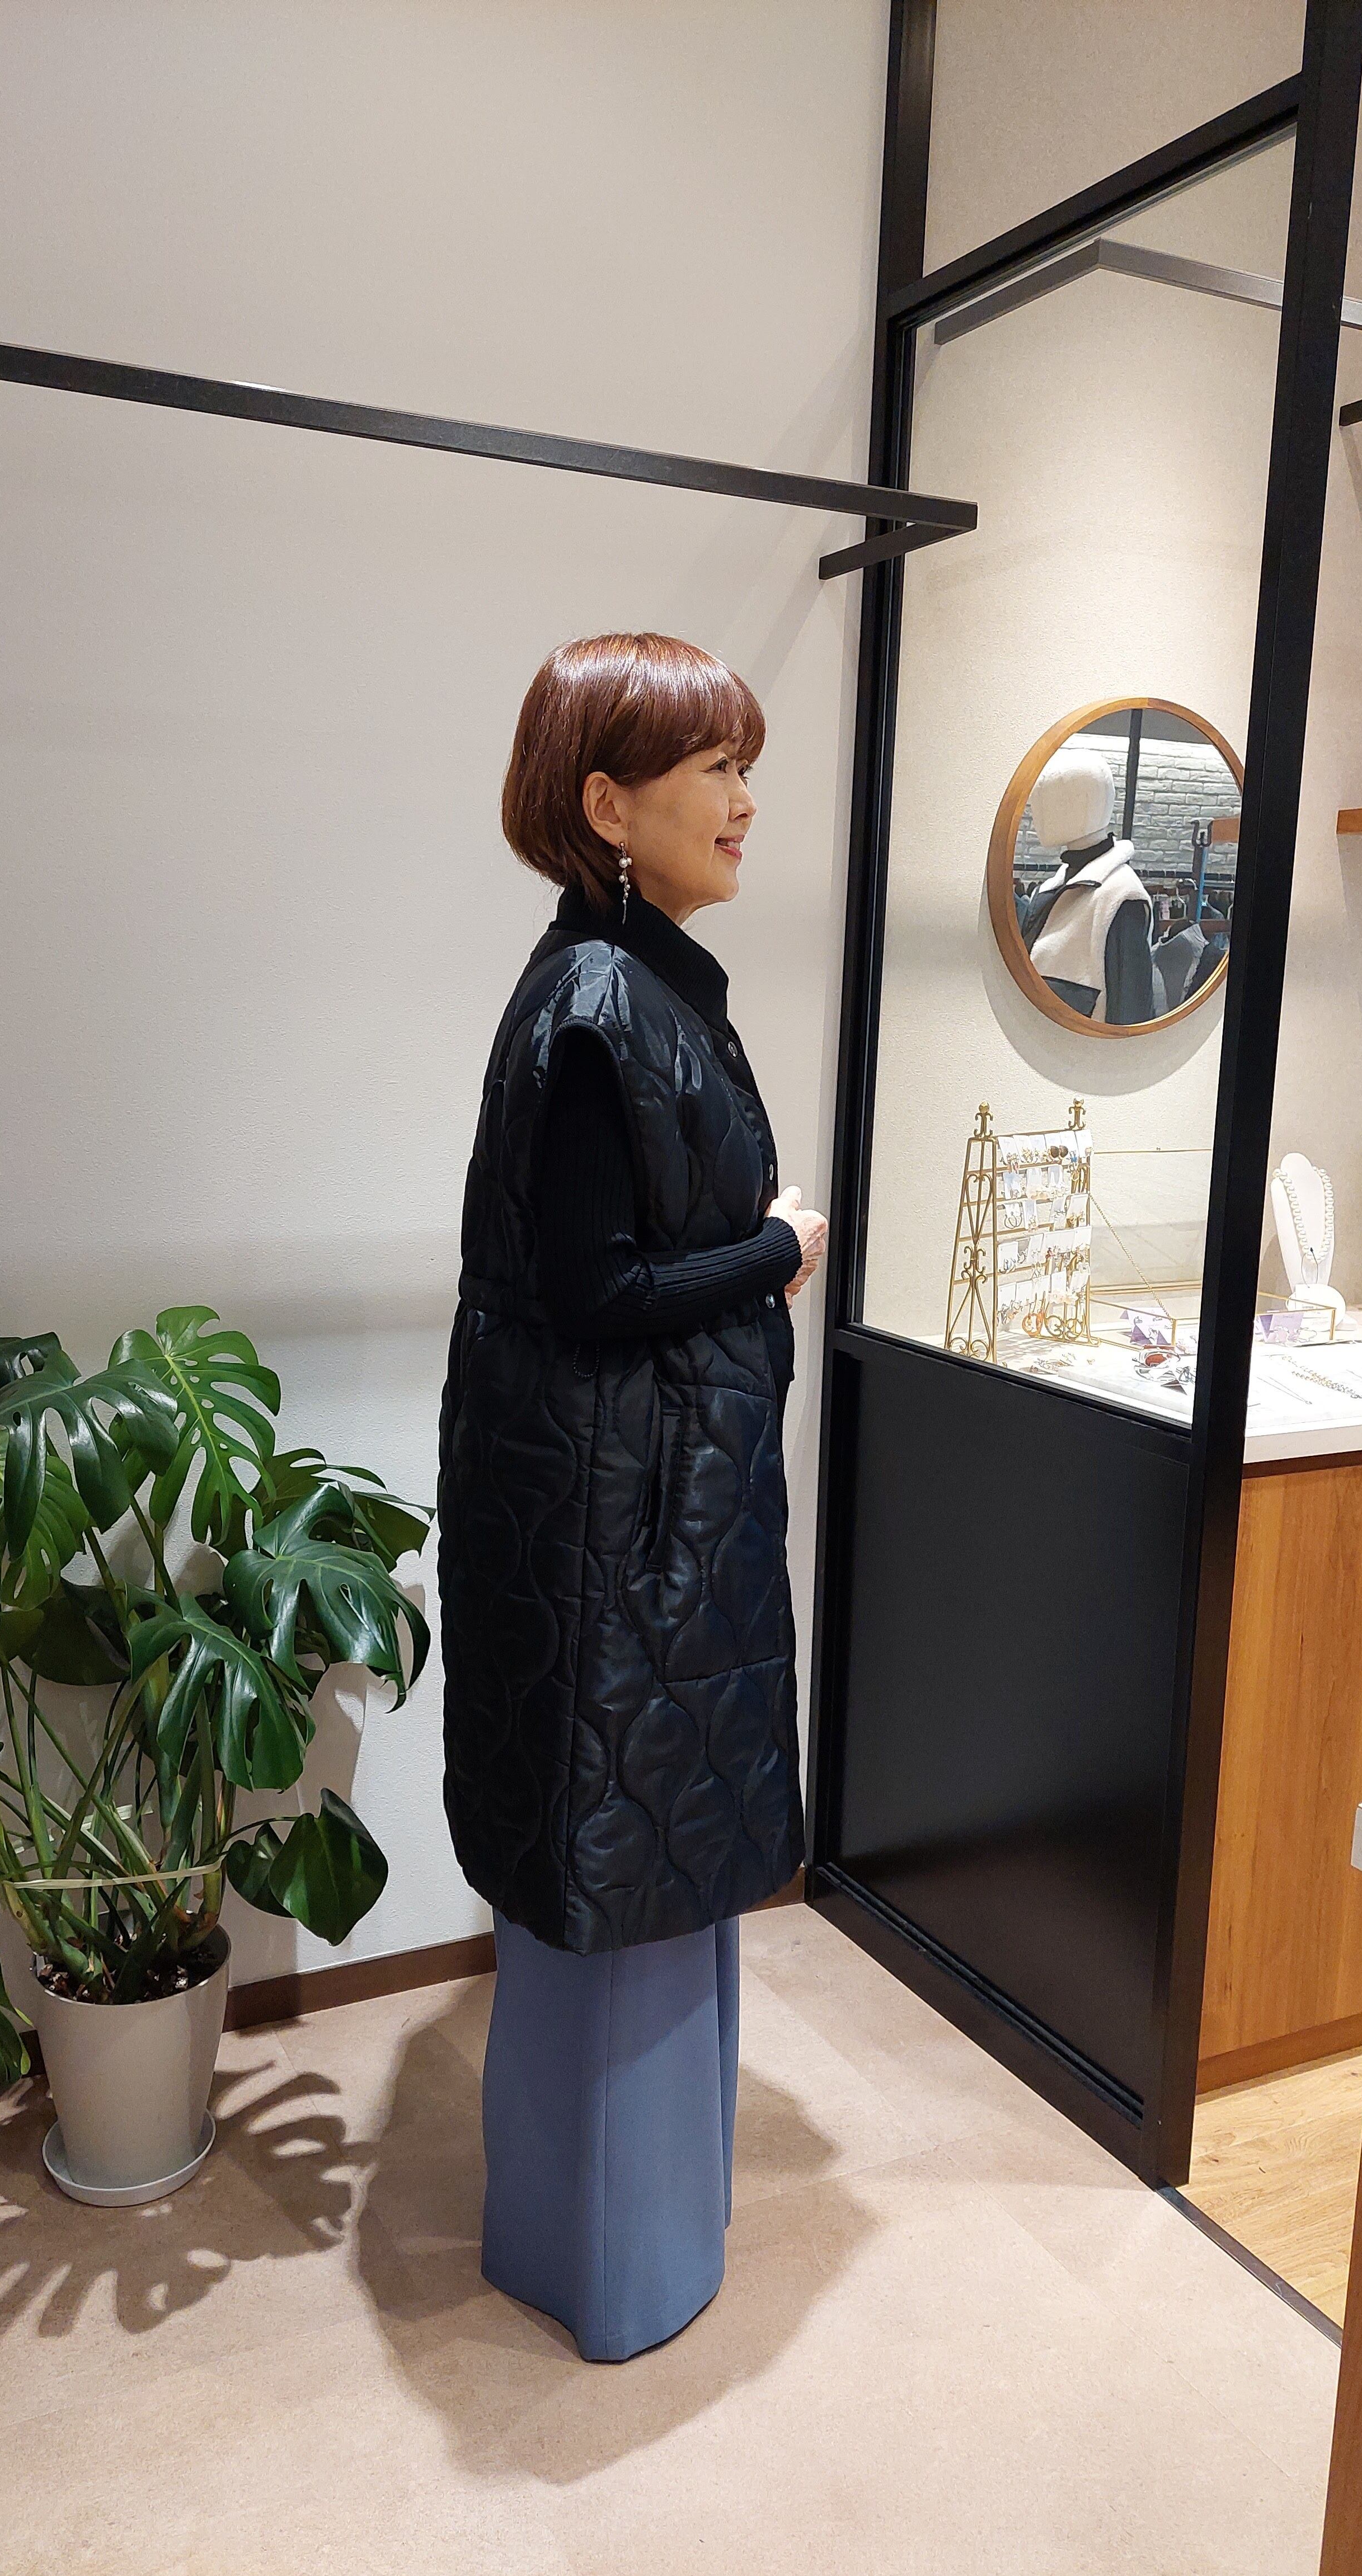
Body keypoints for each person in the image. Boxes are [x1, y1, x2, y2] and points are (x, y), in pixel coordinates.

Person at [436, 632, 825, 2363]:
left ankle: (617, 2241)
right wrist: (777, 1252)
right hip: (624, 1530)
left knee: (632, 1876)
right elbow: (594, 1291)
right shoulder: (602, 1006)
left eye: (745, 768)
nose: (744, 803)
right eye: (712, 771)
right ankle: (619, 2269)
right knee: (625, 1873)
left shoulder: (620, 982)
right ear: (607, 806)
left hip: (628, 1508)